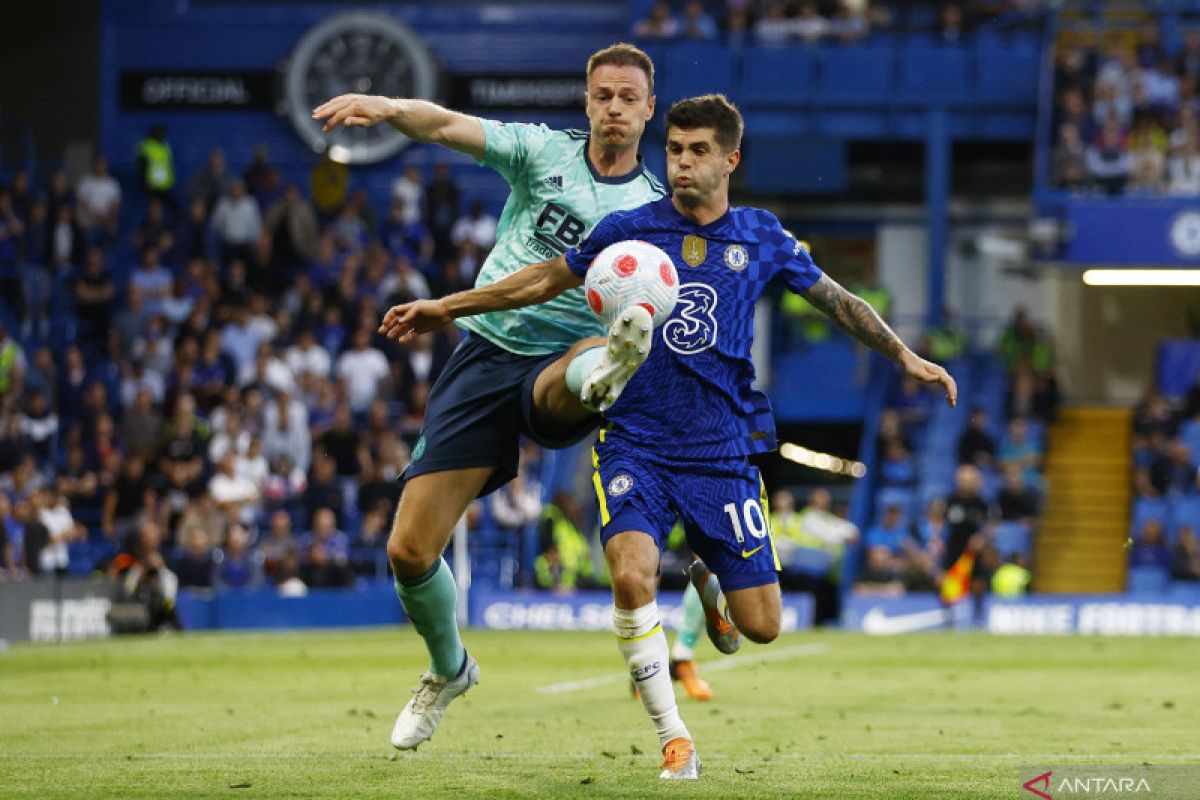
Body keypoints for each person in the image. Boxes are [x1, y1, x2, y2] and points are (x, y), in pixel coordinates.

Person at [379, 94, 956, 779]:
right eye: (675, 150)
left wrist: (907, 358)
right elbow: (538, 281)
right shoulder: (630, 230)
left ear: (730, 159)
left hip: (721, 449)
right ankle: (673, 737)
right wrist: (448, 306)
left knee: (762, 627)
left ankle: (710, 576)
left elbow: (840, 301)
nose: (682, 163)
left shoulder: (761, 236)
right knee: (630, 576)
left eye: (698, 151)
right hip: (635, 439)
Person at [313, 44, 716, 758]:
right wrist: (384, 108)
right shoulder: (540, 153)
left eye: (629, 97)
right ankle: (449, 668)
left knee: (592, 366)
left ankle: (609, 368)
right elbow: (445, 126)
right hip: (485, 352)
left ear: (650, 110)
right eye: (604, 96)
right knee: (408, 551)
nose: (615, 108)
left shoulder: (657, 211)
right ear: (587, 102)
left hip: (564, 364)